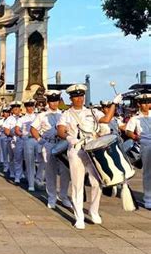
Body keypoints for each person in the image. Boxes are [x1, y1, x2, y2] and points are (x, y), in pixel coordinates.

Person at [57, 84, 121, 229]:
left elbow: (107, 119)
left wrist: (114, 104)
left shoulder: (92, 112)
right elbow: (60, 130)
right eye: (76, 97)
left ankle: (93, 210)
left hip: (92, 149)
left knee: (97, 182)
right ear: (71, 99)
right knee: (77, 184)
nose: (79, 99)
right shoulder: (66, 114)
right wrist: (68, 138)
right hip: (76, 149)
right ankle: (79, 216)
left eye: (81, 96)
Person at [30, 90, 72, 208]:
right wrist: (39, 140)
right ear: (48, 102)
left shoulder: (64, 114)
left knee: (65, 172)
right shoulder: (42, 115)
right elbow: (33, 129)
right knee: (50, 172)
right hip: (49, 144)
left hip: (63, 144)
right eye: (52, 101)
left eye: (56, 101)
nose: (54, 103)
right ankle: (52, 197)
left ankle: (63, 196)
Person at [125, 93, 150, 209]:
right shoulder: (134, 118)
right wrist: (136, 137)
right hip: (145, 144)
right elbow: (128, 131)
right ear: (139, 104)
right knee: (148, 173)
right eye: (144, 103)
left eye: (148, 102)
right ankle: (148, 199)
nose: (147, 105)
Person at [15, 99, 39, 191]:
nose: (30, 108)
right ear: (26, 107)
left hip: (37, 139)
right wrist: (22, 135)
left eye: (31, 106)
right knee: (29, 162)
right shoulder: (22, 119)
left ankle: (39, 178)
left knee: (43, 160)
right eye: (28, 106)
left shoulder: (38, 116)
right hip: (27, 139)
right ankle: (31, 183)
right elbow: (17, 129)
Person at [3, 101, 22, 182]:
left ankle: (19, 174)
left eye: (18, 109)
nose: (17, 111)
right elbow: (6, 130)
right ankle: (12, 172)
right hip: (12, 139)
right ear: (12, 110)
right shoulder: (9, 119)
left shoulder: (22, 118)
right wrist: (12, 134)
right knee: (12, 157)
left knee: (20, 158)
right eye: (15, 109)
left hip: (21, 139)